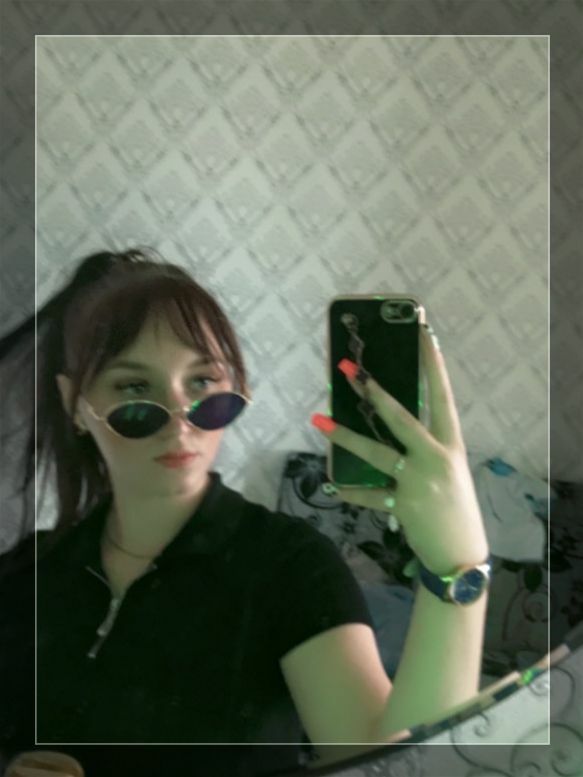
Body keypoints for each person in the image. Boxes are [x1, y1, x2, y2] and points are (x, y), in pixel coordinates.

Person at [0, 248, 491, 775]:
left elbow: (391, 764)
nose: (181, 420)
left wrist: (456, 565)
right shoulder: (29, 571)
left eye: (202, 383)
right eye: (135, 388)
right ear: (76, 403)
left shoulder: (290, 568)